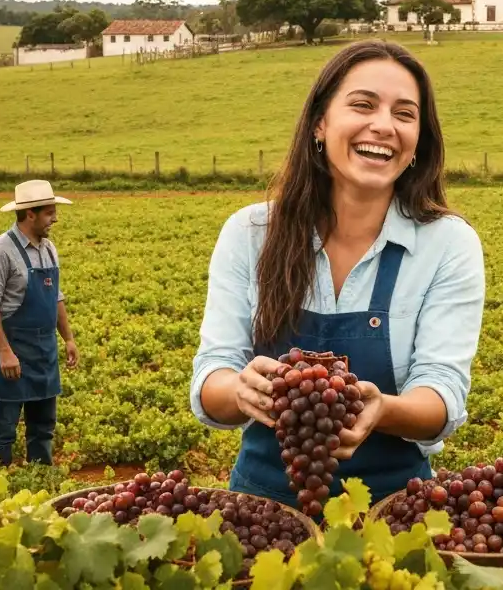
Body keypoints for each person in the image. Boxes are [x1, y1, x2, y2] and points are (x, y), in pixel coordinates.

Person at [190, 40, 485, 511]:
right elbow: (212, 379)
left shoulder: (448, 244)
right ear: (320, 124)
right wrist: (240, 390)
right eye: (363, 105)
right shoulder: (250, 233)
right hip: (262, 511)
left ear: (418, 143)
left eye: (405, 114)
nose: (384, 126)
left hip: (396, 508)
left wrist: (382, 408)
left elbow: (441, 395)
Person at [0, 180, 81, 466]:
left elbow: (55, 297)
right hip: (13, 351)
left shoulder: (49, 249)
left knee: (43, 427)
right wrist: (5, 351)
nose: (55, 219)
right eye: (49, 213)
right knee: (4, 428)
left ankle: (40, 483)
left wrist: (68, 338)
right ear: (29, 214)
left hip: (44, 350)